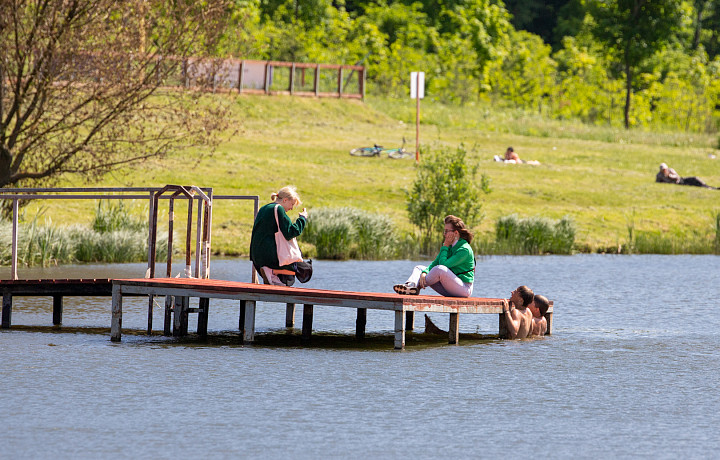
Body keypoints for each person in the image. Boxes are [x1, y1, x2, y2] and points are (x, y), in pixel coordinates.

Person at [393, 215, 475, 297]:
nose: (444, 234)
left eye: (446, 231)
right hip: (448, 286)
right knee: (419, 268)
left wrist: (445, 246)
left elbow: (443, 265)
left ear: (456, 233)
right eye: (444, 231)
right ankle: (410, 286)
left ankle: (416, 287)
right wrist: (424, 272)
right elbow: (435, 263)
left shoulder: (464, 250)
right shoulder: (451, 245)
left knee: (439, 269)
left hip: (463, 289)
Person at [249, 186, 311, 286]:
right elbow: (290, 233)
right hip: (269, 258)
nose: (291, 208)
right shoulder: (278, 209)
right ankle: (272, 273)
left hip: (256, 258)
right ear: (285, 200)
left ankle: (273, 274)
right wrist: (302, 219)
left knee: (297, 266)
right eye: (291, 204)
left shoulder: (264, 208)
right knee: (304, 268)